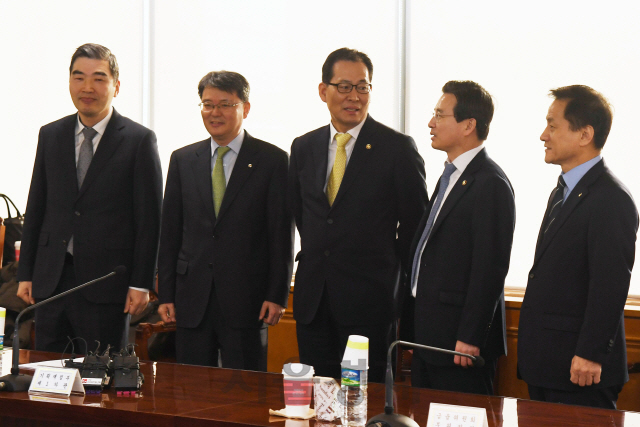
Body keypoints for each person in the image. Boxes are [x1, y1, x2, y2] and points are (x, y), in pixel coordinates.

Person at [288, 47, 429, 382]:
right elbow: (301, 216)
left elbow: (415, 230)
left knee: (360, 395)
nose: (354, 97)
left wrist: (395, 289)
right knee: (318, 396)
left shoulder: (396, 149)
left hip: (368, 304)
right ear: (324, 91)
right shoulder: (303, 147)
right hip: (314, 301)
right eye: (344, 87)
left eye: (362, 87)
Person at [16, 43, 162, 353]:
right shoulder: (50, 134)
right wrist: (26, 273)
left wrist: (141, 282)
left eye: (98, 78)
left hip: (106, 282)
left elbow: (150, 220)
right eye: (78, 77)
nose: (87, 87)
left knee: (99, 383)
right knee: (46, 376)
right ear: (69, 81)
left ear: (116, 86)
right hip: (51, 279)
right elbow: (37, 205)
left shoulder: (138, 140)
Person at [157, 71, 293, 370]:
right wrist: (166, 293)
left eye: (225, 104)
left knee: (244, 393)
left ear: (245, 107)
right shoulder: (182, 160)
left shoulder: (272, 160)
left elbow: (281, 234)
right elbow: (169, 234)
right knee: (189, 392)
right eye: (207, 104)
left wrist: (277, 294)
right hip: (191, 299)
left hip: (248, 299)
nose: (214, 112)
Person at [518, 85, 638, 409]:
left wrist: (589, 353)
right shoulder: (562, 191)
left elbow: (610, 284)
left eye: (553, 126)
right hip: (547, 365)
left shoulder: (612, 198)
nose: (544, 135)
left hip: (580, 371)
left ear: (585, 134)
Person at [409, 81, 515, 395]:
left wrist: (469, 337)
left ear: (468, 125)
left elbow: (490, 268)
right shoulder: (450, 176)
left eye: (440, 115)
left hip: (459, 346)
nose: (431, 123)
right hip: (428, 338)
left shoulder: (490, 184)